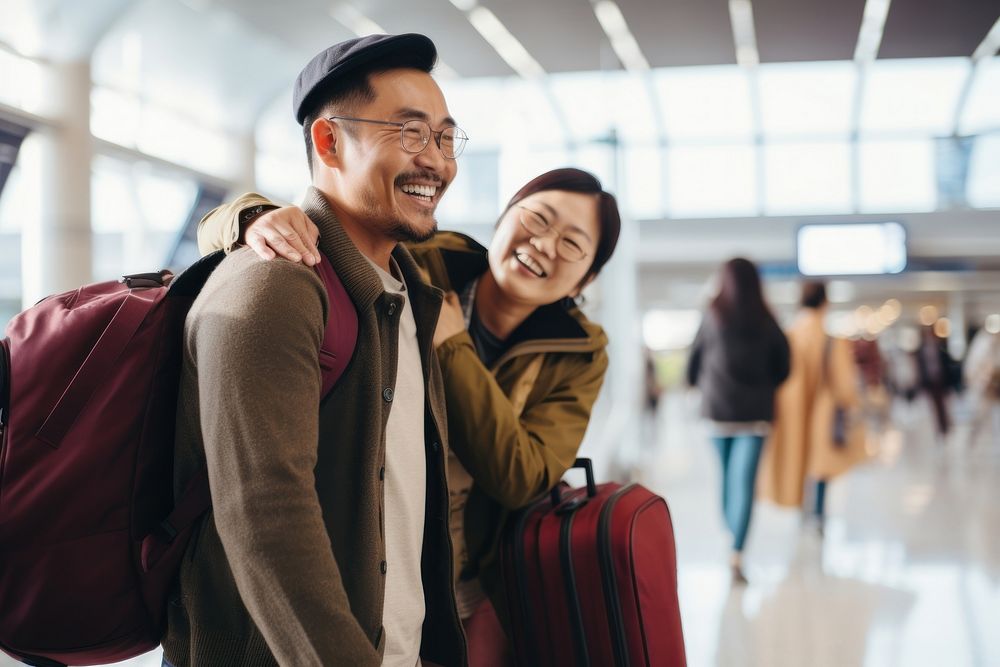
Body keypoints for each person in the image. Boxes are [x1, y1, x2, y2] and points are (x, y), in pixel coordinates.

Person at [198, 167, 620, 664]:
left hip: (463, 583)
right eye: (537, 219)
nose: (544, 244)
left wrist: (453, 346)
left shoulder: (580, 353)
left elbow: (522, 475)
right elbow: (251, 231)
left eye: (572, 243)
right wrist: (253, 217)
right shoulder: (416, 260)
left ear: (588, 277)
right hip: (355, 557)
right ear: (504, 216)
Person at [163, 34, 466, 667]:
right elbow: (265, 518)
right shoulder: (275, 285)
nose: (435, 161)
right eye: (411, 133)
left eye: (444, 138)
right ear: (328, 142)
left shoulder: (408, 292)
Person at [685, 258, 790, 584]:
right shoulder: (767, 319)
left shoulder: (712, 315)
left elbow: (693, 362)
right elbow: (785, 367)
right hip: (755, 415)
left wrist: (701, 385)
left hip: (717, 412)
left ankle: (731, 536)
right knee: (744, 482)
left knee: (727, 478)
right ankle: (736, 552)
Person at [759, 281, 867, 535]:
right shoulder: (831, 340)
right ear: (825, 302)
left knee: (796, 460)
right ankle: (817, 514)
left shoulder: (788, 336)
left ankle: (801, 511)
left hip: (791, 413)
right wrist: (854, 403)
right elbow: (844, 383)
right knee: (820, 465)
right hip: (823, 413)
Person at [963, 324, 1000, 446]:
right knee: (979, 421)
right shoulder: (984, 342)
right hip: (982, 389)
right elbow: (972, 370)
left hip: (993, 391)